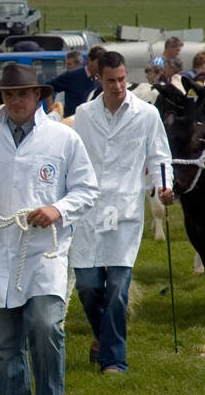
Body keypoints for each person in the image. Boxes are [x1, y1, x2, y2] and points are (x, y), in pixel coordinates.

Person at [0, 63, 98, 395]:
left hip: (44, 253)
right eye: (9, 95)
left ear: (39, 95)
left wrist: (58, 209)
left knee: (45, 325)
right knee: (5, 343)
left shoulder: (63, 139)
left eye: (23, 94)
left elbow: (87, 190)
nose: (16, 101)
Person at [71, 50, 173, 375]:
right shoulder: (84, 115)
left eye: (122, 79)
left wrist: (163, 187)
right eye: (111, 80)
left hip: (125, 211)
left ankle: (113, 360)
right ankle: (103, 337)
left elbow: (159, 157)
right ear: (98, 79)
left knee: (116, 289)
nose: (117, 86)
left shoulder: (147, 114)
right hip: (89, 212)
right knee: (87, 286)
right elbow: (72, 158)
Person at [51, 49, 100, 117]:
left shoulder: (98, 79)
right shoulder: (68, 78)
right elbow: (50, 88)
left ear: (79, 64)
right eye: (66, 64)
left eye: (69, 64)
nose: (67, 67)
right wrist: (50, 107)